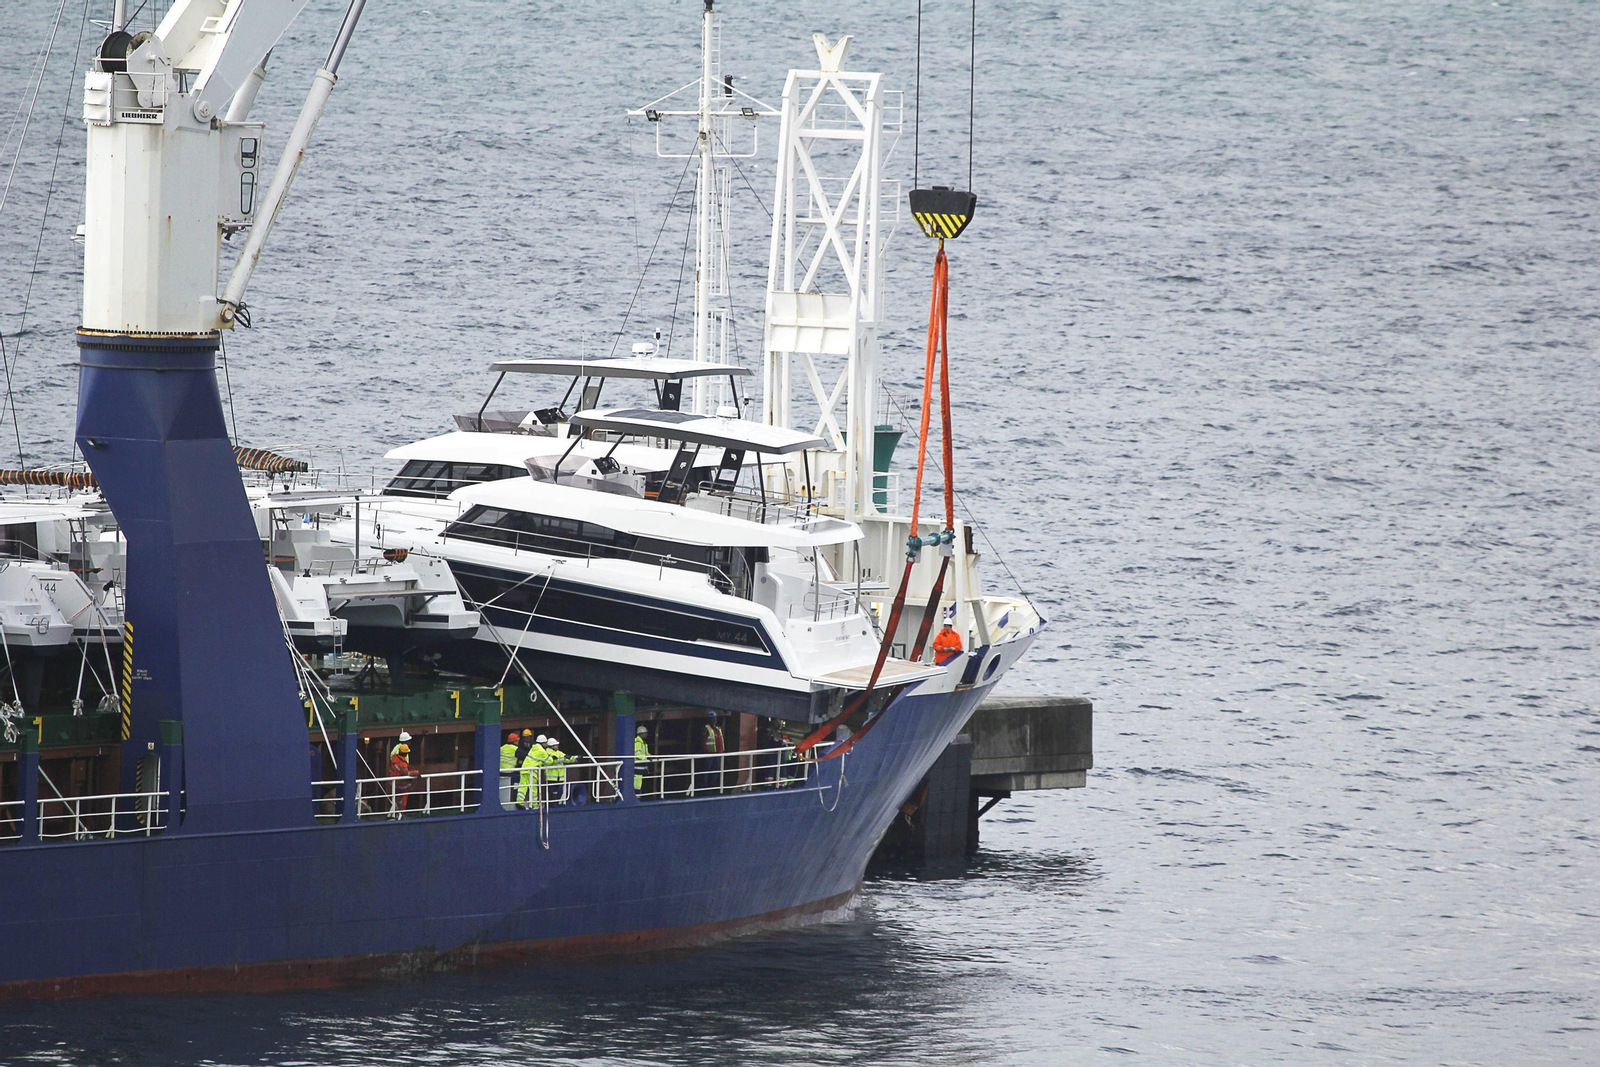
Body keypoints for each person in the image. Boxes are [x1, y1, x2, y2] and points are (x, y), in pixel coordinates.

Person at [697, 711, 726, 795]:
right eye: (712, 719)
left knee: (715, 772)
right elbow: (702, 736)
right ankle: (704, 789)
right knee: (706, 772)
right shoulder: (706, 728)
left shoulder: (718, 729)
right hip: (709, 754)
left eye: (715, 718)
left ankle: (713, 789)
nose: (714, 720)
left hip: (718, 754)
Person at [389, 740, 420, 813]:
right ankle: (400, 813)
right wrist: (416, 773)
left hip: (395, 783)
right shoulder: (401, 763)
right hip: (401, 784)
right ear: (405, 753)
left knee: (396, 799)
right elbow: (406, 773)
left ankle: (394, 813)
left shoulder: (395, 759)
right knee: (402, 800)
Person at [499, 731, 520, 807]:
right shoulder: (515, 749)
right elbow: (525, 756)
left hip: (500, 772)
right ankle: (515, 798)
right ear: (515, 741)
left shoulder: (502, 748)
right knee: (518, 780)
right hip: (510, 772)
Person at [633, 725, 651, 796]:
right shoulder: (637, 742)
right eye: (645, 733)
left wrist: (651, 757)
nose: (646, 734)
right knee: (637, 781)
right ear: (640, 734)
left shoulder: (643, 743)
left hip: (641, 765)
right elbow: (637, 754)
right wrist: (646, 758)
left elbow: (646, 753)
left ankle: (637, 794)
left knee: (639, 781)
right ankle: (636, 795)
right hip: (637, 765)